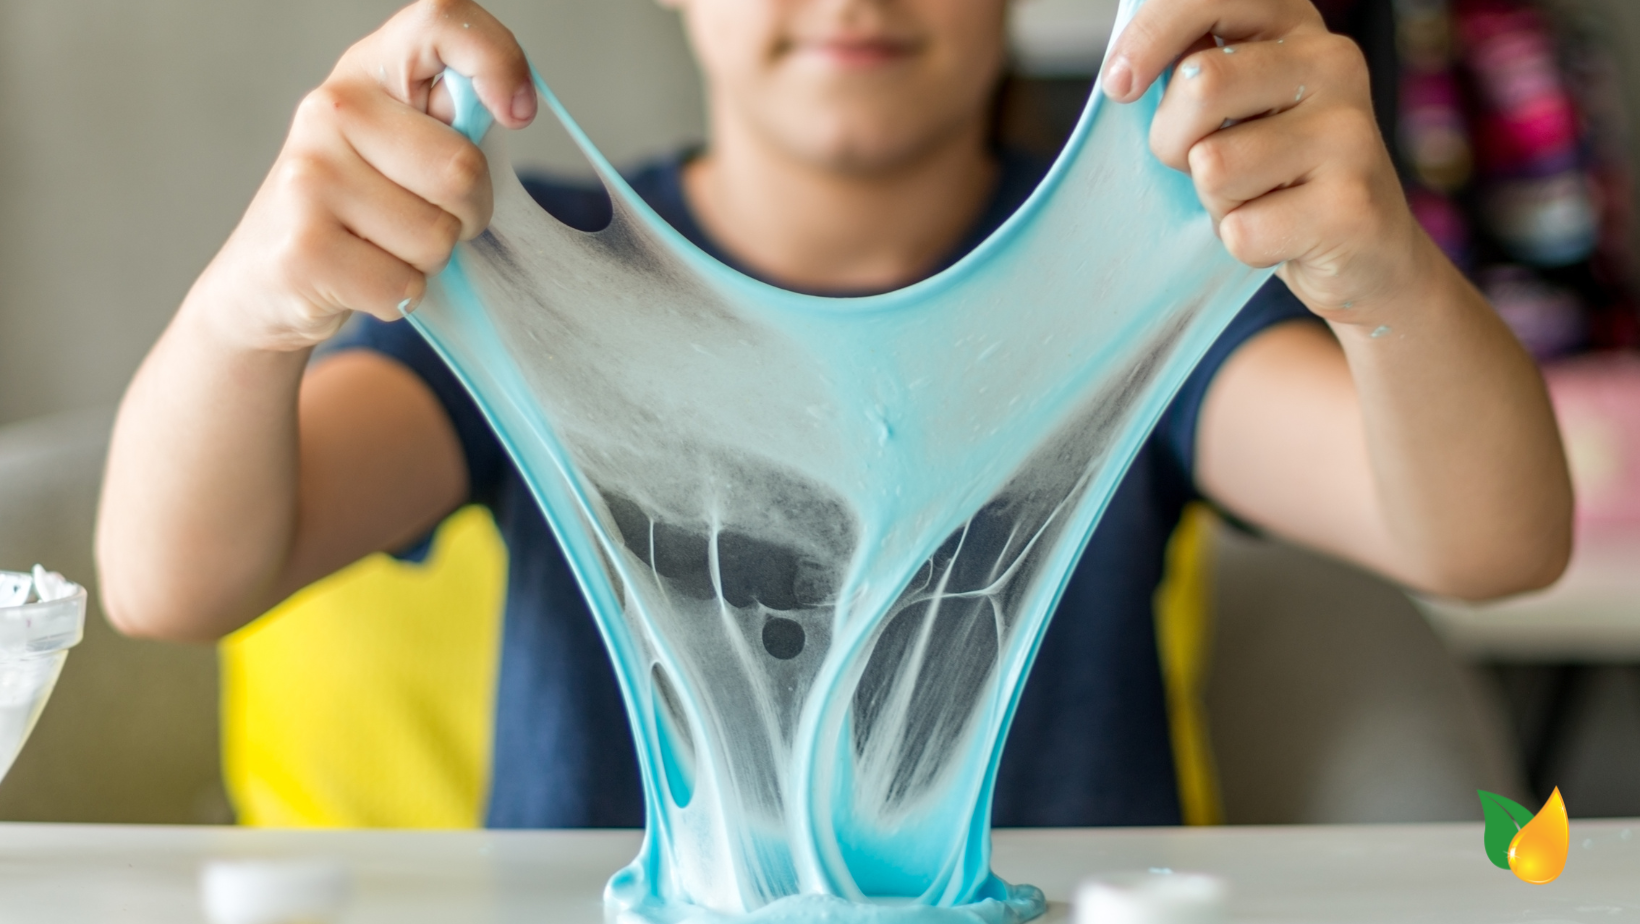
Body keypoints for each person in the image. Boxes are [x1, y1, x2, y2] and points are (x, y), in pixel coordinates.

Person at [96, 0, 1572, 828]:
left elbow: (1489, 539)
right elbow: (181, 577)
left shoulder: (1140, 290)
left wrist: (1379, 275)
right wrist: (250, 308)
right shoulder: (521, 269)